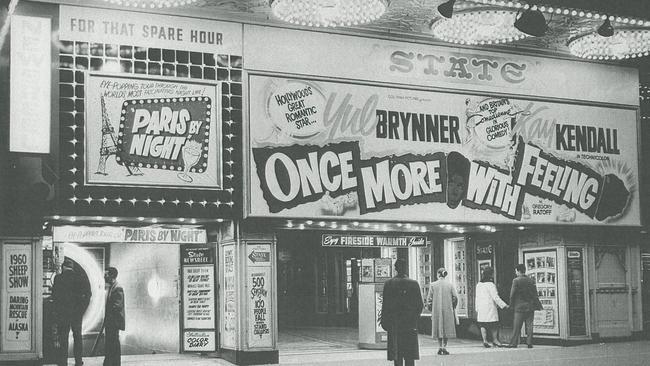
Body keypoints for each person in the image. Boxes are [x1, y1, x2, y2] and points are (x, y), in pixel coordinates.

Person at [381, 259, 424, 366]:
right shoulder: (414, 284)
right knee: (409, 355)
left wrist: (385, 322)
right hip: (409, 324)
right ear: (406, 267)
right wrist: (414, 319)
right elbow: (419, 305)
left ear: (395, 268)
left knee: (397, 354)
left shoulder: (389, 284)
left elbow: (385, 305)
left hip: (394, 324)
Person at [52, 257, 91, 366]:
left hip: (63, 314)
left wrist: (58, 310)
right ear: (72, 268)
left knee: (63, 338)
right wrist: (82, 309)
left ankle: (62, 362)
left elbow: (55, 296)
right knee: (77, 337)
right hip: (76, 314)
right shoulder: (81, 278)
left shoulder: (58, 278)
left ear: (63, 267)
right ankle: (78, 362)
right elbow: (88, 295)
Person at [507, 264, 541, 348]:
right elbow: (535, 294)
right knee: (529, 325)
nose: (515, 273)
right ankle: (529, 342)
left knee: (517, 326)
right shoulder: (531, 280)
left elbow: (512, 294)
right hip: (530, 306)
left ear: (518, 271)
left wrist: (511, 305)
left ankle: (513, 343)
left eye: (516, 271)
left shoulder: (516, 280)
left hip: (519, 307)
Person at [426, 267, 458, 355]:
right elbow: (455, 297)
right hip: (448, 309)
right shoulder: (450, 285)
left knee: (438, 327)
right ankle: (444, 346)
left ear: (438, 274)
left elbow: (429, 299)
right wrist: (453, 306)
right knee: (446, 328)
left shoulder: (433, 285)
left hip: (436, 310)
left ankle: (440, 346)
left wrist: (431, 308)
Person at [475, 266, 508, 348]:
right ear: (491, 274)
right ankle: (495, 340)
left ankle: (485, 340)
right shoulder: (491, 284)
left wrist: (477, 308)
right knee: (494, 324)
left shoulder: (478, 284)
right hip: (490, 307)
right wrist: (504, 305)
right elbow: (495, 297)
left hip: (481, 307)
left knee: (483, 324)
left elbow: (477, 297)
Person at [103, 267, 125, 366]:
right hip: (111, 321)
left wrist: (109, 316)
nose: (104, 276)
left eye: (106, 274)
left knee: (113, 343)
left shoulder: (117, 288)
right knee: (111, 343)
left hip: (113, 321)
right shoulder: (113, 287)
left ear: (111, 275)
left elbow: (118, 305)